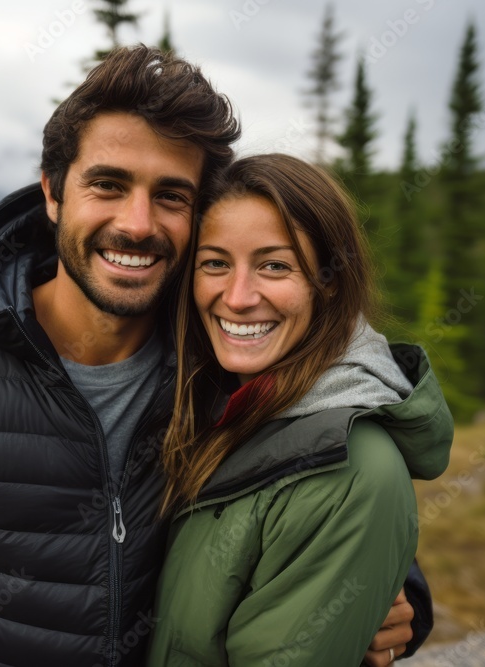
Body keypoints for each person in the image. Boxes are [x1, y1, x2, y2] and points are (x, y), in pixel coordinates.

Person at [0, 47, 431, 667]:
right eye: (108, 184)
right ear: (53, 193)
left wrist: (398, 602)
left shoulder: (224, 365)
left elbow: (329, 497)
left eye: (170, 195)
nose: (137, 224)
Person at [147, 154, 453, 666]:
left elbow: (343, 493)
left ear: (329, 280)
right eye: (215, 263)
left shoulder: (352, 467)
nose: (238, 297)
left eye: (274, 265)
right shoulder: (204, 396)